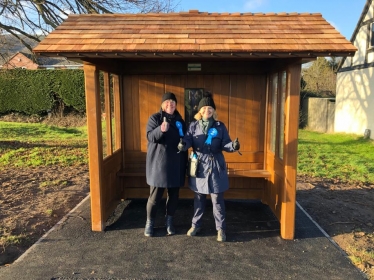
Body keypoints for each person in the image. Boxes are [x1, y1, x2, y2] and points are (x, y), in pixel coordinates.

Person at [177, 92, 240, 242]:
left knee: (217, 199)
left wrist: (234, 146)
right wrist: (183, 144)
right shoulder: (193, 126)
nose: (207, 110)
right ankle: (195, 225)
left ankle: (221, 229)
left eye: (210, 108)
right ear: (200, 110)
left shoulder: (220, 126)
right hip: (199, 165)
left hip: (216, 165)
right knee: (198, 198)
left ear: (213, 110)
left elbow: (226, 144)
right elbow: (187, 141)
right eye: (204, 108)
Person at [145, 92, 187, 237]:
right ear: (162, 105)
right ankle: (149, 223)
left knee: (174, 195)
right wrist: (160, 130)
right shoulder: (155, 118)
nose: (170, 104)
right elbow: (150, 136)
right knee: (155, 197)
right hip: (159, 164)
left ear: (176, 105)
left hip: (177, 163)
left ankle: (169, 221)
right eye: (167, 102)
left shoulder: (180, 121)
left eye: (173, 102)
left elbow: (186, 138)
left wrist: (185, 144)